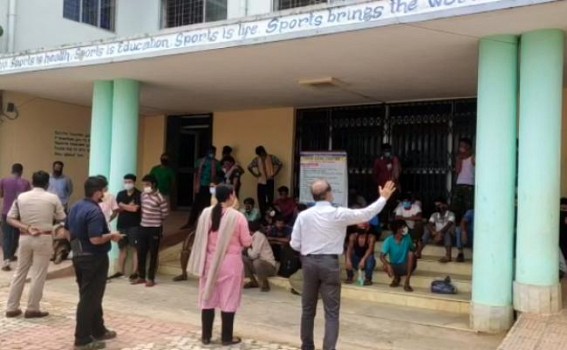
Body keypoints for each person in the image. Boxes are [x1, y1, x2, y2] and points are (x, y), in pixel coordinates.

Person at [290, 179, 396, 350]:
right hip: (329, 263)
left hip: (308, 262)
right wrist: (383, 198)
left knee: (307, 309)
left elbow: (294, 244)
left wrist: (310, 248)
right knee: (331, 312)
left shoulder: (303, 216)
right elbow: (366, 213)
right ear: (329, 194)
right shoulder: (337, 213)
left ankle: (307, 346)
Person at [187, 184, 252, 346]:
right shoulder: (237, 216)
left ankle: (206, 336)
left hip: (209, 261)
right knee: (229, 299)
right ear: (231, 196)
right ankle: (226, 337)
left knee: (207, 297)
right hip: (230, 263)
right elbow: (246, 241)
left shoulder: (205, 213)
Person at [66, 176, 122, 350]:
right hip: (94, 258)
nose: (104, 193)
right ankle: (82, 338)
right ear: (97, 192)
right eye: (103, 190)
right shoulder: (94, 212)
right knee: (89, 298)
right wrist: (112, 236)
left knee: (92, 295)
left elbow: (66, 231)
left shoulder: (75, 206)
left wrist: (77, 248)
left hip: (79, 256)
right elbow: (96, 239)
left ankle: (98, 329)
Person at [4, 170, 66, 318]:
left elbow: (9, 218)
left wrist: (26, 227)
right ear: (47, 183)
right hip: (44, 237)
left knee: (19, 272)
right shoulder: (52, 198)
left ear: (32, 182)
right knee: (38, 274)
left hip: (25, 236)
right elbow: (62, 217)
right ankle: (32, 308)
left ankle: (11, 308)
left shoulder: (21, 197)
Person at [131, 174, 168, 287]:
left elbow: (165, 213)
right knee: (141, 252)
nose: (145, 187)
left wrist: (156, 220)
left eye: (147, 184)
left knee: (153, 253)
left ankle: (151, 278)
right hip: (143, 227)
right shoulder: (143, 195)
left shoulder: (160, 197)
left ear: (153, 184)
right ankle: (141, 276)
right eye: (144, 184)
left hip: (155, 228)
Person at [0, 163, 31, 271]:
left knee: (6, 236)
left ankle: (6, 260)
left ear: (12, 170)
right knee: (17, 235)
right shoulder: (25, 182)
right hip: (20, 213)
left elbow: (1, 195)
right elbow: (28, 197)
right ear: (21, 172)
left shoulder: (3, 181)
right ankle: (11, 254)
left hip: (6, 212)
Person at [183, 147, 222, 230]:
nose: (212, 153)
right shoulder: (200, 161)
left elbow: (220, 174)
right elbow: (195, 171)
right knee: (196, 204)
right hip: (201, 185)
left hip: (211, 186)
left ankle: (210, 223)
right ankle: (191, 223)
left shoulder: (217, 163)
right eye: (210, 152)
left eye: (213, 152)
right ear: (206, 152)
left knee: (210, 204)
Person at [111, 174, 141, 280]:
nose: (127, 184)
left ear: (133, 182)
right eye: (125, 181)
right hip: (122, 225)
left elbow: (135, 209)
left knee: (135, 248)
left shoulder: (139, 194)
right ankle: (120, 271)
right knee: (122, 248)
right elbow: (117, 208)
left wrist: (123, 205)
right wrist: (129, 206)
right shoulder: (121, 194)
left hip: (134, 225)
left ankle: (134, 272)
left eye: (129, 182)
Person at [380, 220, 417, 292]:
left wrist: (416, 245)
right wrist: (388, 265)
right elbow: (381, 256)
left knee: (411, 254)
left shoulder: (408, 237)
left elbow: (413, 249)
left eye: (405, 226)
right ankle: (396, 277)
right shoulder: (389, 240)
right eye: (402, 227)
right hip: (395, 266)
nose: (405, 228)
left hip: (406, 266)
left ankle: (407, 282)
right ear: (396, 229)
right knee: (384, 266)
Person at [417, 198, 456, 263]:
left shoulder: (451, 214)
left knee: (446, 232)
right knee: (427, 231)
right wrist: (433, 232)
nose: (437, 207)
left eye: (439, 205)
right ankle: (418, 252)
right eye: (436, 205)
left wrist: (439, 233)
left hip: (450, 238)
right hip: (438, 237)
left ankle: (448, 256)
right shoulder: (434, 215)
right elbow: (429, 225)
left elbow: (448, 226)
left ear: (445, 205)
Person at [248, 146, 283, 216]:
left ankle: (271, 215)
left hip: (270, 180)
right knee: (261, 200)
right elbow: (249, 167)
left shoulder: (271, 157)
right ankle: (263, 216)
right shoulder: (257, 159)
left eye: (260, 153)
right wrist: (255, 174)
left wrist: (275, 173)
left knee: (270, 199)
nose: (260, 155)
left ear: (262, 151)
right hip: (261, 181)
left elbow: (280, 164)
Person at [243, 221, 277, 292]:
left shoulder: (258, 236)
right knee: (242, 258)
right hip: (259, 266)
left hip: (269, 266)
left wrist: (248, 248)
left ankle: (264, 283)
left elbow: (254, 255)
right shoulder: (252, 236)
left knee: (257, 262)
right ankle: (253, 282)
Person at [372, 143, 401, 224]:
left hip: (393, 187)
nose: (387, 152)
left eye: (388, 151)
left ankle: (392, 222)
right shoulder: (378, 161)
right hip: (383, 187)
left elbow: (398, 172)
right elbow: (375, 174)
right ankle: (383, 222)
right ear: (382, 151)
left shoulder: (394, 160)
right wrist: (379, 183)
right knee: (383, 204)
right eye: (385, 151)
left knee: (393, 205)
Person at [452, 137, 475, 222]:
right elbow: (458, 170)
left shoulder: (473, 158)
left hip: (469, 184)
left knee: (468, 208)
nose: (461, 147)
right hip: (460, 183)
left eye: (463, 145)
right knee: (457, 208)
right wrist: (459, 159)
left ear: (468, 146)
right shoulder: (459, 158)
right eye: (460, 145)